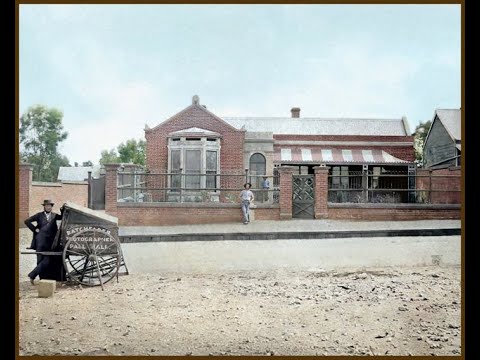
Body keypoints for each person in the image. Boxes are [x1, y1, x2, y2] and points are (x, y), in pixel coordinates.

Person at [24, 200, 63, 285]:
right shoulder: (39, 215)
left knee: (48, 260)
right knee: (40, 260)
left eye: (50, 206)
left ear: (51, 207)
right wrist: (35, 230)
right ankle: (41, 279)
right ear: (44, 207)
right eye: (47, 206)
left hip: (51, 243)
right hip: (40, 242)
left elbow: (64, 217)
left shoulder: (55, 215)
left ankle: (35, 276)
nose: (48, 207)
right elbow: (27, 221)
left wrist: (63, 209)